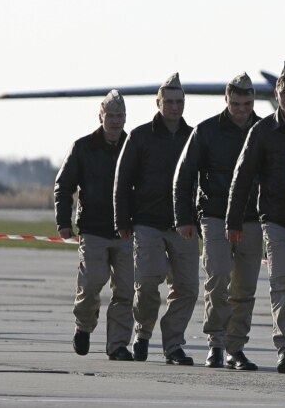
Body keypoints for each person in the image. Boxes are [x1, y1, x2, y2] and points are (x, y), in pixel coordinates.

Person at [227, 62, 285, 375]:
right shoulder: (263, 131)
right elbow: (243, 177)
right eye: (284, 93)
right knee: (283, 284)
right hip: (276, 220)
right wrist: (233, 220)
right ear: (276, 96)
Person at [173, 72, 262, 371]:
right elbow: (184, 177)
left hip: (252, 218)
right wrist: (184, 218)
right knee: (218, 277)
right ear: (226, 100)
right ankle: (215, 343)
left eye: (247, 103)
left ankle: (236, 347)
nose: (242, 109)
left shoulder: (264, 131)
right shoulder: (206, 131)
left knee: (245, 288)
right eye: (236, 103)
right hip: (214, 215)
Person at [114, 72, 198, 365]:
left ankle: (173, 344)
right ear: (158, 103)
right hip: (147, 222)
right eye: (170, 102)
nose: (175, 107)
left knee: (187, 288)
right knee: (148, 283)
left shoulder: (194, 137)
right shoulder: (139, 136)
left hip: (184, 224)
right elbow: (122, 180)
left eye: (180, 102)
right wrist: (122, 222)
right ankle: (143, 333)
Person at [55, 89, 135, 361]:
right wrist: (63, 222)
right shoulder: (83, 147)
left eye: (120, 116)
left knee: (125, 291)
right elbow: (63, 186)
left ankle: (118, 345)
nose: (115, 121)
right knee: (91, 285)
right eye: (110, 116)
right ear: (100, 116)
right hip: (93, 229)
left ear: (126, 118)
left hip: (126, 231)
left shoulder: (134, 146)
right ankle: (84, 325)